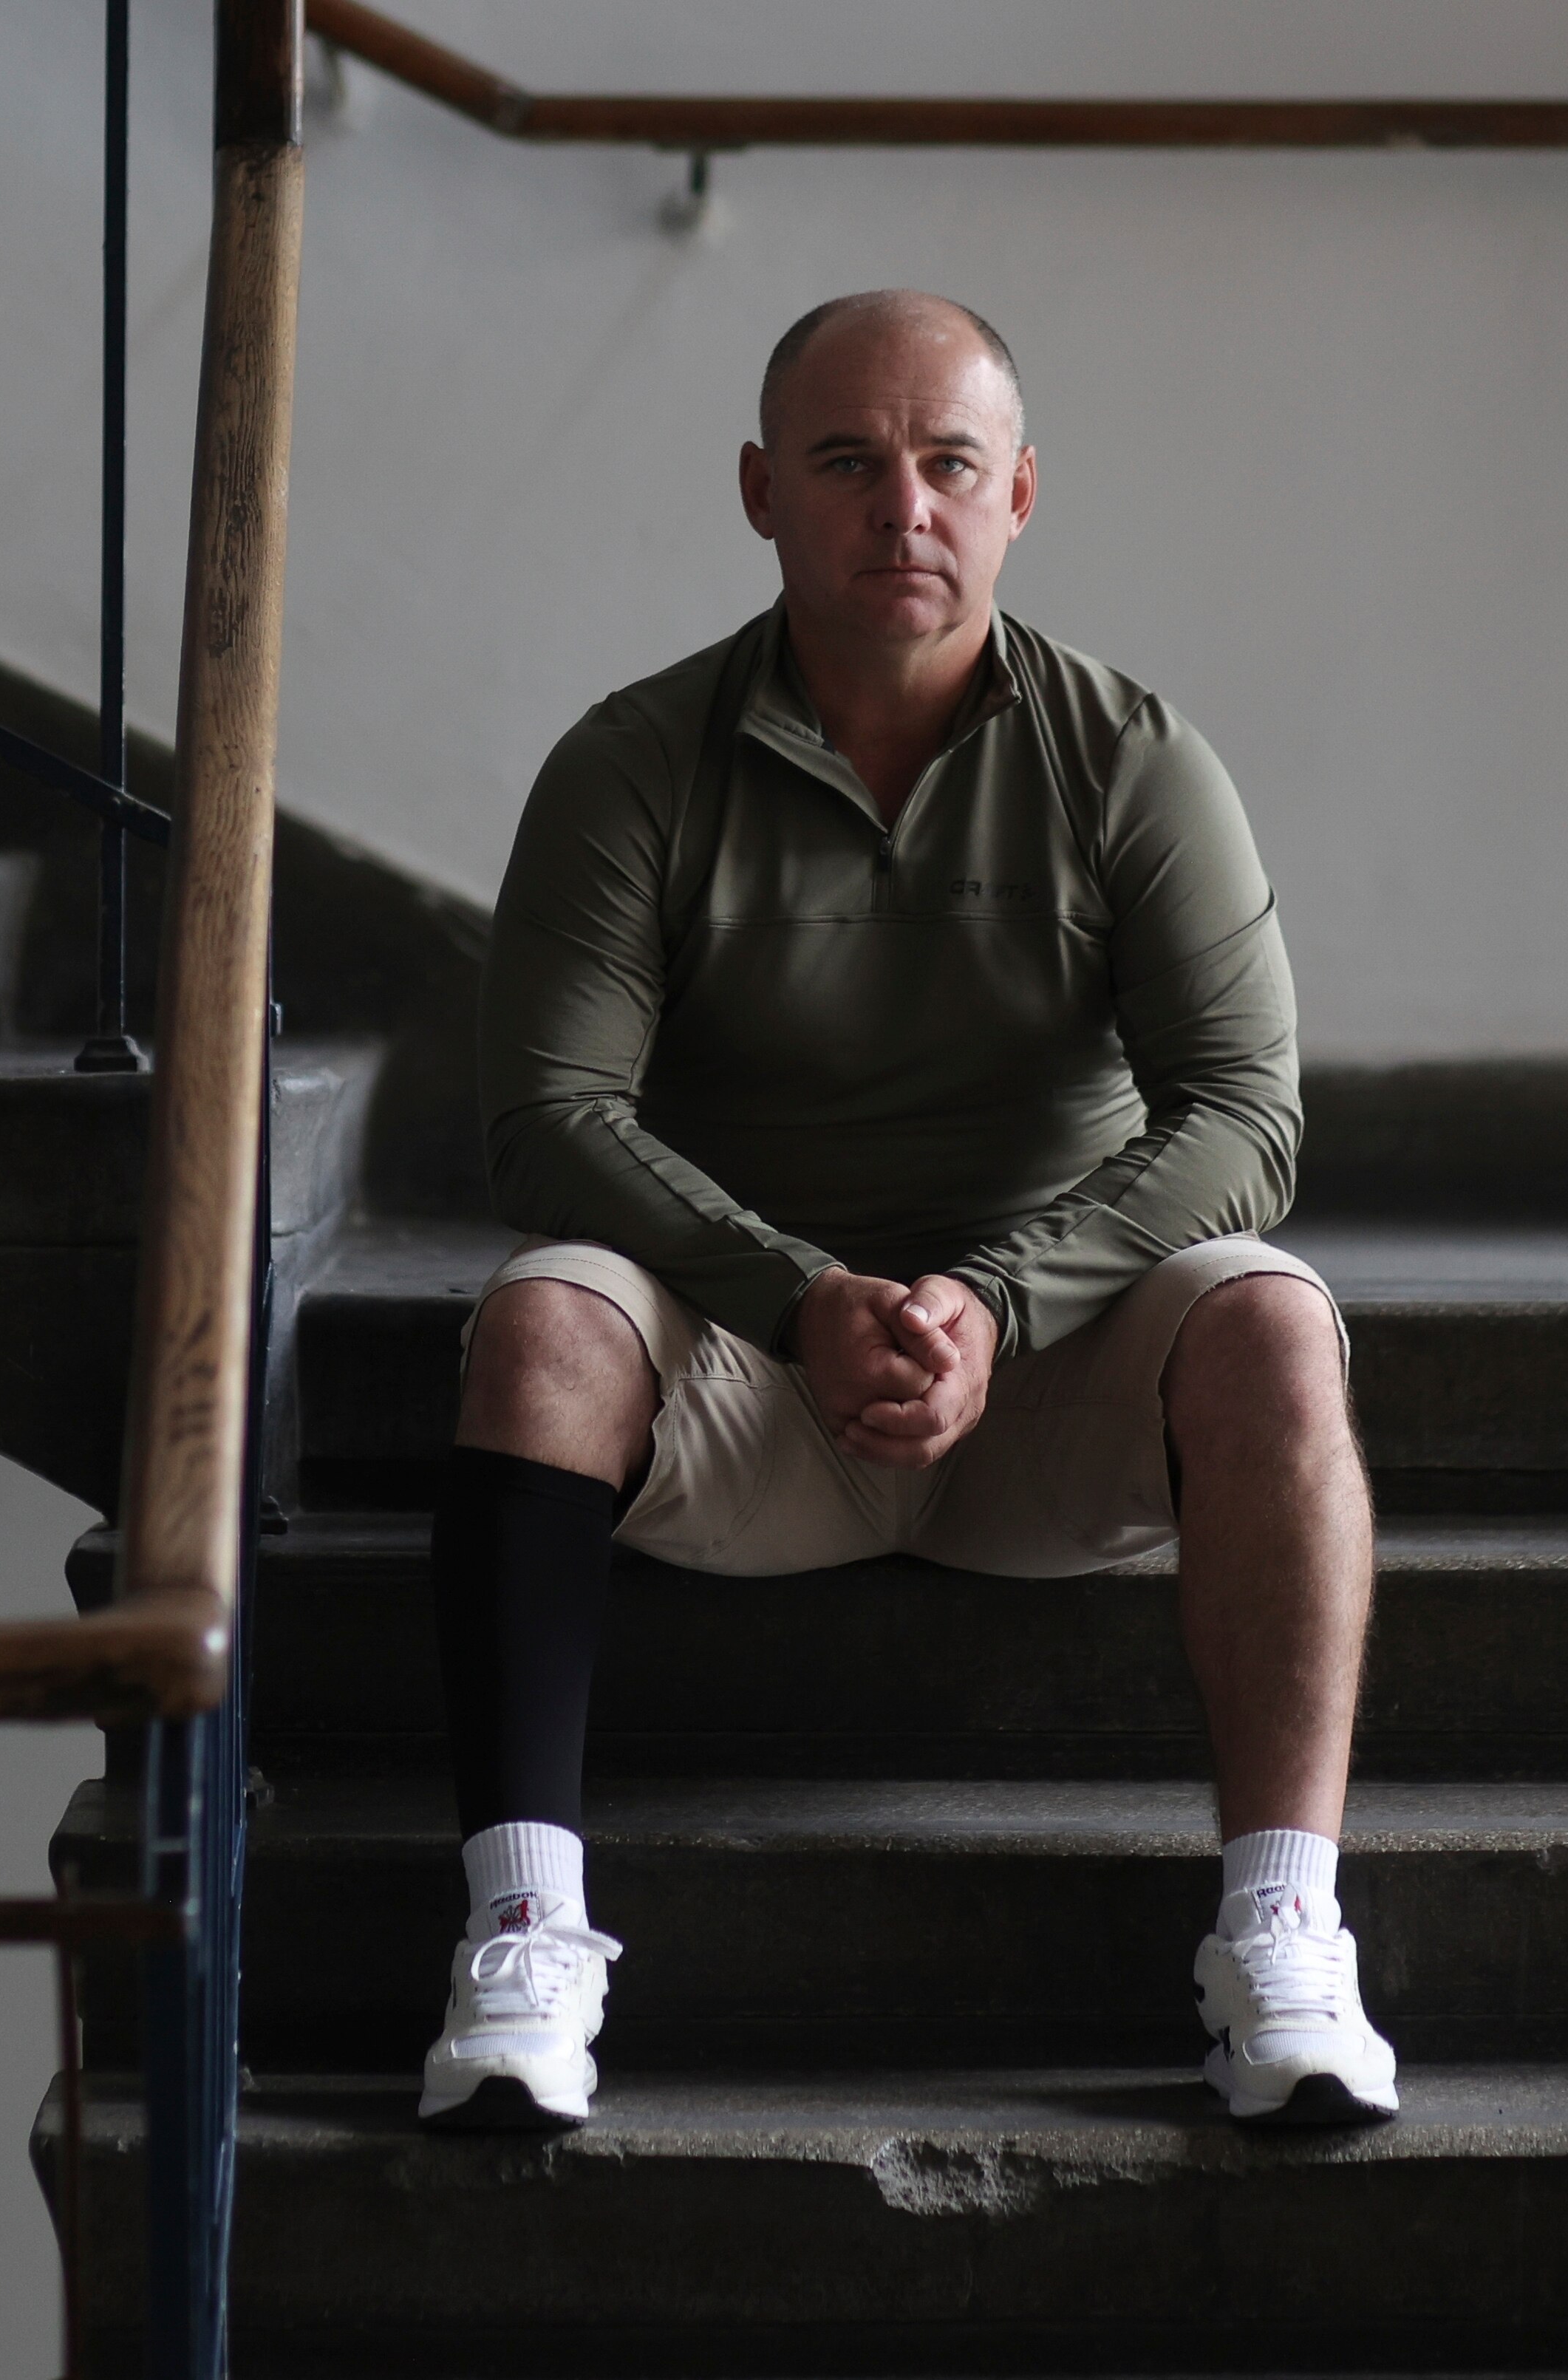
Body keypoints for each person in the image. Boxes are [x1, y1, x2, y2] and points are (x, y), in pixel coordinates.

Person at [420, 289, 1394, 2132]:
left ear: (1019, 490)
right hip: (749, 1386)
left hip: (1048, 1394)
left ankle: (1283, 1934)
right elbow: (546, 1119)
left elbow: (1245, 1118)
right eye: (848, 464)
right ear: (757, 491)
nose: (904, 510)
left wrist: (995, 1303)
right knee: (540, 1315)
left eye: (949, 464)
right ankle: (526, 1933)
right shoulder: (631, 766)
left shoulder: (1133, 760)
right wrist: (798, 1298)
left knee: (1271, 1310)